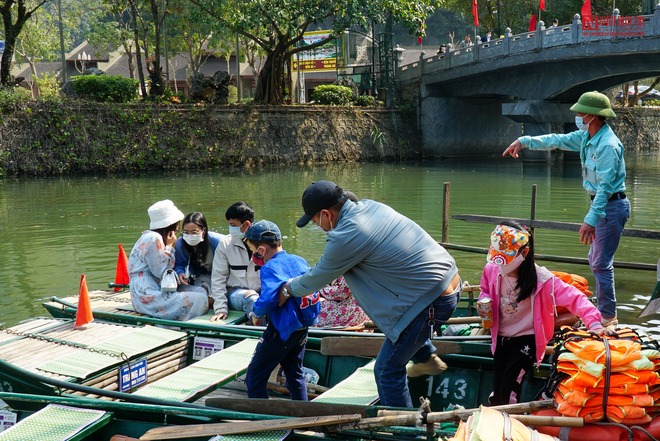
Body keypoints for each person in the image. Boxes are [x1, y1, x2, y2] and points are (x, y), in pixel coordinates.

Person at [280, 180, 461, 408]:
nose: (319, 226)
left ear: (326, 214)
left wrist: (287, 289)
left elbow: (315, 279)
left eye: (316, 221)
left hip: (432, 302)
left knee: (386, 371)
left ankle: (405, 434)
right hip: (451, 282)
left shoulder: (346, 235)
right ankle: (425, 356)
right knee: (401, 323)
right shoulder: (372, 206)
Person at [503, 91, 629, 327]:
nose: (578, 116)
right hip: (602, 206)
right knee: (596, 260)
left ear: (593, 116)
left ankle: (607, 316)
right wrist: (525, 140)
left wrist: (591, 219)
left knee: (601, 262)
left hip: (611, 206)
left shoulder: (608, 146)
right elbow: (557, 140)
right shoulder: (586, 137)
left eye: (582, 113)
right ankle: (603, 309)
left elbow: (605, 189)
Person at [478, 221, 609, 405]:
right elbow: (485, 289)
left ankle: (508, 422)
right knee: (498, 384)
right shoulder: (491, 270)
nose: (500, 264)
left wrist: (594, 323)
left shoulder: (543, 280)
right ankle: (500, 413)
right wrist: (484, 302)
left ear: (524, 253)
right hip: (500, 336)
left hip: (526, 338)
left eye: (506, 258)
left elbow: (575, 298)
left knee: (509, 387)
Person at [243, 220, 321, 400]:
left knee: (254, 377)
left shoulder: (270, 267)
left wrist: (256, 313)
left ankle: (263, 423)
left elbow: (268, 298)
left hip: (281, 331)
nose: (254, 256)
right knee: (295, 374)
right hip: (301, 328)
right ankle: (302, 417)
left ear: (261, 250)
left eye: (254, 251)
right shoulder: (298, 260)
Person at [128, 200, 210, 321]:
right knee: (200, 299)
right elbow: (161, 271)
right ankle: (185, 323)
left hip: (154, 287)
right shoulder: (154, 238)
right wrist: (169, 247)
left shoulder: (150, 236)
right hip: (147, 293)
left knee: (201, 291)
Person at [210, 202, 260, 321]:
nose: (231, 229)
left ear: (246, 224)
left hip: (262, 293)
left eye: (233, 225)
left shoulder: (263, 243)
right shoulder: (225, 245)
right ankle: (260, 333)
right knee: (251, 298)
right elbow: (218, 279)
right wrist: (221, 308)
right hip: (237, 294)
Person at [174, 212, 224, 294]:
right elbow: (179, 264)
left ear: (203, 231)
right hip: (200, 276)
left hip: (221, 276)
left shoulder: (218, 241)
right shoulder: (181, 243)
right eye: (186, 232)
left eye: (194, 232)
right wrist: (180, 273)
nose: (190, 236)